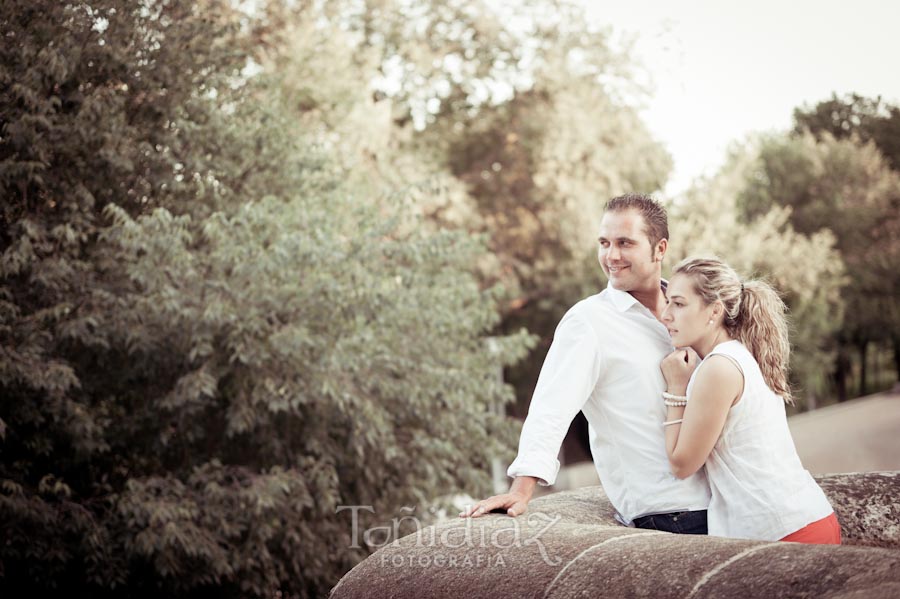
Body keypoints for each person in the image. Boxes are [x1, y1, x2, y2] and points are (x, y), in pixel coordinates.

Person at [460, 194, 711, 534]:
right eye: (604, 243)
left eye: (625, 243)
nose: (611, 256)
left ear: (660, 249)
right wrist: (522, 487)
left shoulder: (689, 309)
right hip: (669, 510)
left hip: (724, 496)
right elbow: (551, 406)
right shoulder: (589, 322)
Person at [659, 256, 840, 544]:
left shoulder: (718, 368)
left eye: (678, 304)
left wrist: (676, 388)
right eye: (667, 302)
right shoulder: (741, 355)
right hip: (807, 519)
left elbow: (682, 465)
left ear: (714, 311)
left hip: (785, 533)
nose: (665, 314)